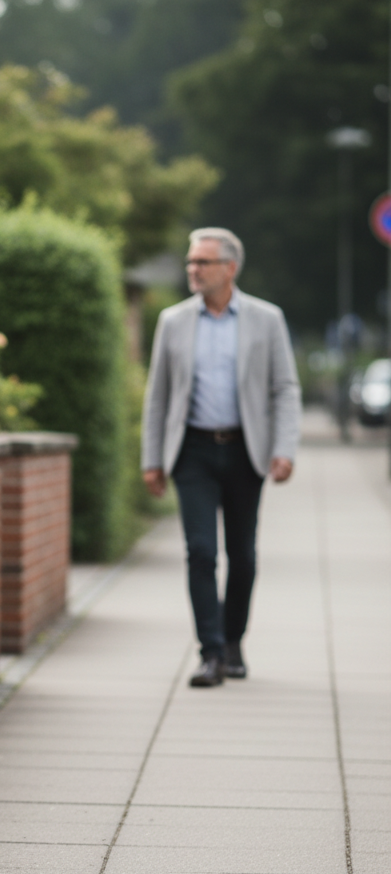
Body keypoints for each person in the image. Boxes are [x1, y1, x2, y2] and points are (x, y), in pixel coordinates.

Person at [141, 227, 301, 687]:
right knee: (201, 552)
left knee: (243, 556)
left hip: (245, 451)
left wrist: (284, 449)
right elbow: (158, 396)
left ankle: (233, 642)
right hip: (191, 452)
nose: (193, 270)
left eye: (202, 263)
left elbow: (285, 388)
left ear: (229, 268)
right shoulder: (173, 321)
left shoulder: (266, 320)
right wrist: (152, 459)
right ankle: (209, 652)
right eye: (191, 262)